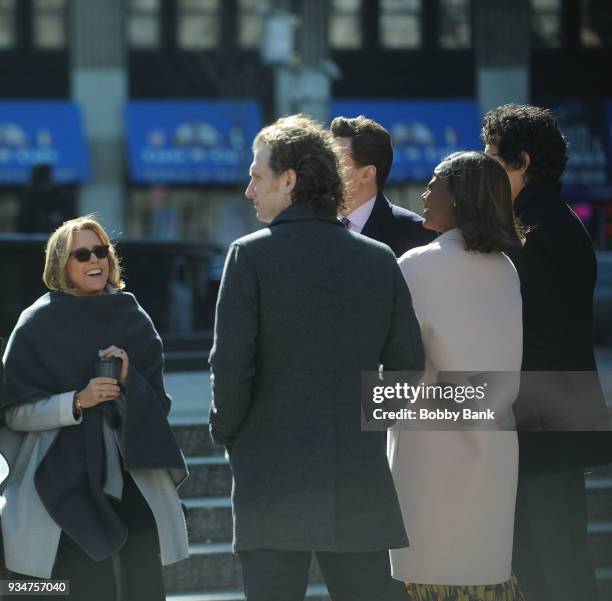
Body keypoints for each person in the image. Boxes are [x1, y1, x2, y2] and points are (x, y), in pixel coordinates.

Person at [209, 114, 425, 601]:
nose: (248, 190)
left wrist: (229, 433)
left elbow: (230, 368)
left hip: (271, 476)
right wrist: (367, 423)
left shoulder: (249, 256)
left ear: (288, 180)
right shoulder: (377, 258)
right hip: (359, 477)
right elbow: (409, 365)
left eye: (256, 175)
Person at [0, 216, 188, 601]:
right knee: (82, 589)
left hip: (132, 478)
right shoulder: (36, 323)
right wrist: (76, 402)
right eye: (81, 254)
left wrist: (127, 382)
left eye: (100, 251)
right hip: (59, 483)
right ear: (61, 265)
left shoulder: (134, 318)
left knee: (143, 586)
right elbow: (14, 414)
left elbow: (159, 405)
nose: (94, 260)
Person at [483, 103, 612, 601]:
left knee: (550, 563)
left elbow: (522, 334)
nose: (484, 164)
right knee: (557, 558)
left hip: (541, 424)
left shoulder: (530, 229)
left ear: (520, 161)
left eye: (492, 155)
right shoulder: (550, 219)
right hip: (554, 420)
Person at [389, 151, 525, 601]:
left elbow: (394, 362)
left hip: (430, 458)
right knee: (483, 579)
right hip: (494, 451)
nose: (424, 194)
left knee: (428, 580)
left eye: (435, 184)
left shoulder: (417, 265)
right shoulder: (504, 268)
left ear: (460, 194)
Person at [330, 115, 436, 257]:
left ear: (367, 174)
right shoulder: (317, 228)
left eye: (336, 162)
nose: (325, 168)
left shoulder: (414, 234)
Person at [16, 164, 75, 234]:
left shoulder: (59, 195)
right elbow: (24, 222)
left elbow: (70, 219)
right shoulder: (30, 196)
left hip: (57, 236)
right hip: (32, 237)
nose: (44, 185)